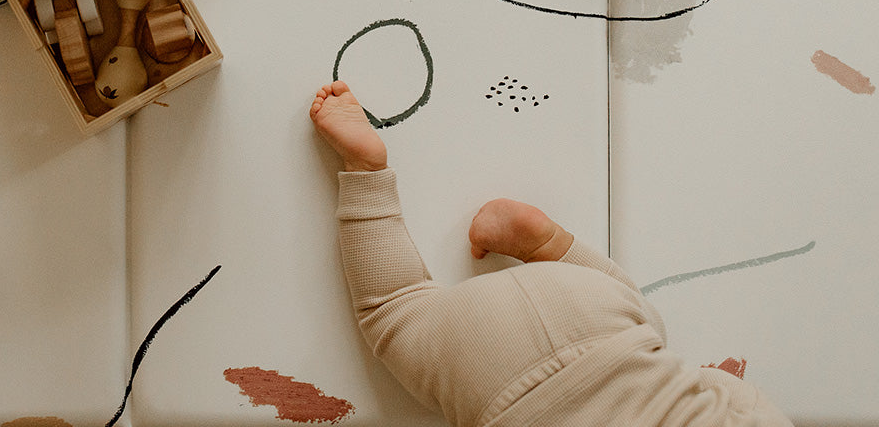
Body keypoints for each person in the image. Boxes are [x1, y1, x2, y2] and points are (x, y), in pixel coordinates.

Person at [309, 81, 795, 427]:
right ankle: (364, 169)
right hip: (491, 373)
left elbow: (731, 392)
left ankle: (549, 246)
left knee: (652, 329)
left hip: (594, 311)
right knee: (394, 306)